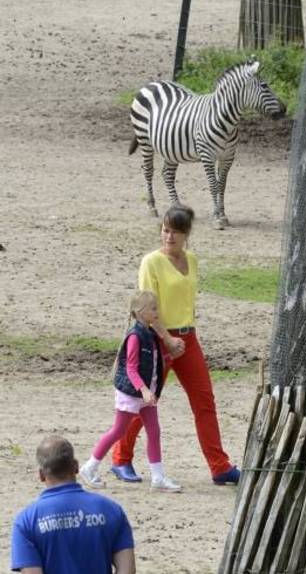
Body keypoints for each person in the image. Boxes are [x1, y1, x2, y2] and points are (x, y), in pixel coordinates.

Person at [111, 205, 241, 486]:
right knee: (144, 400)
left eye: (175, 232)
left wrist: (184, 335)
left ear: (186, 234)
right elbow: (147, 304)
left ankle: (220, 466)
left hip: (188, 339)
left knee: (204, 399)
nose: (169, 237)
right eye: (165, 230)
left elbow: (187, 301)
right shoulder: (151, 262)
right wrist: (166, 339)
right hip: (159, 339)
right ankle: (120, 458)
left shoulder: (192, 260)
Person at [79, 291, 182, 493]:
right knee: (118, 430)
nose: (157, 312)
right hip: (133, 393)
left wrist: (169, 356)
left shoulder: (151, 334)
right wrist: (143, 390)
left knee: (154, 431)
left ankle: (158, 477)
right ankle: (89, 467)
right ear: (140, 312)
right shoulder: (135, 336)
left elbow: (152, 361)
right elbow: (131, 369)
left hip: (146, 393)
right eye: (153, 308)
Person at [10, 436, 135, 574]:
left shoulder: (26, 521)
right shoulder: (112, 510)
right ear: (75, 466)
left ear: (41, 474)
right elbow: (127, 569)